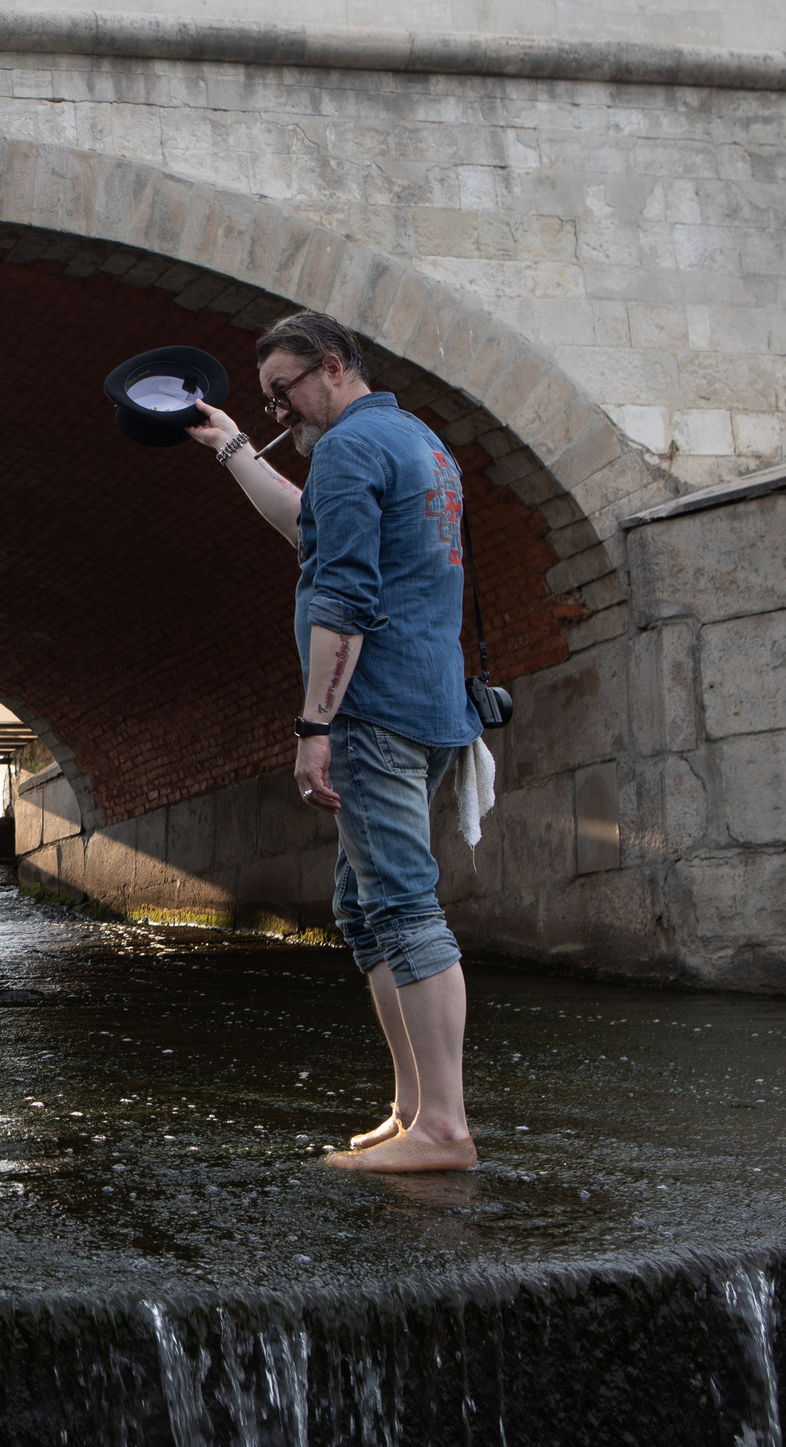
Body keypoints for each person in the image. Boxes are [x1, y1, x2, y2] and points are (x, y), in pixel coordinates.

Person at [186, 310, 482, 1172]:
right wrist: (236, 448)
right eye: (269, 403)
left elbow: (343, 595)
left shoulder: (352, 448)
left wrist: (314, 724)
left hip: (373, 708)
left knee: (399, 904)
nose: (281, 413)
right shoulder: (416, 440)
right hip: (429, 704)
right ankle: (412, 1107)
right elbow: (310, 533)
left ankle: (443, 1127)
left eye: (284, 393)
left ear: (333, 365)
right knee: (364, 907)